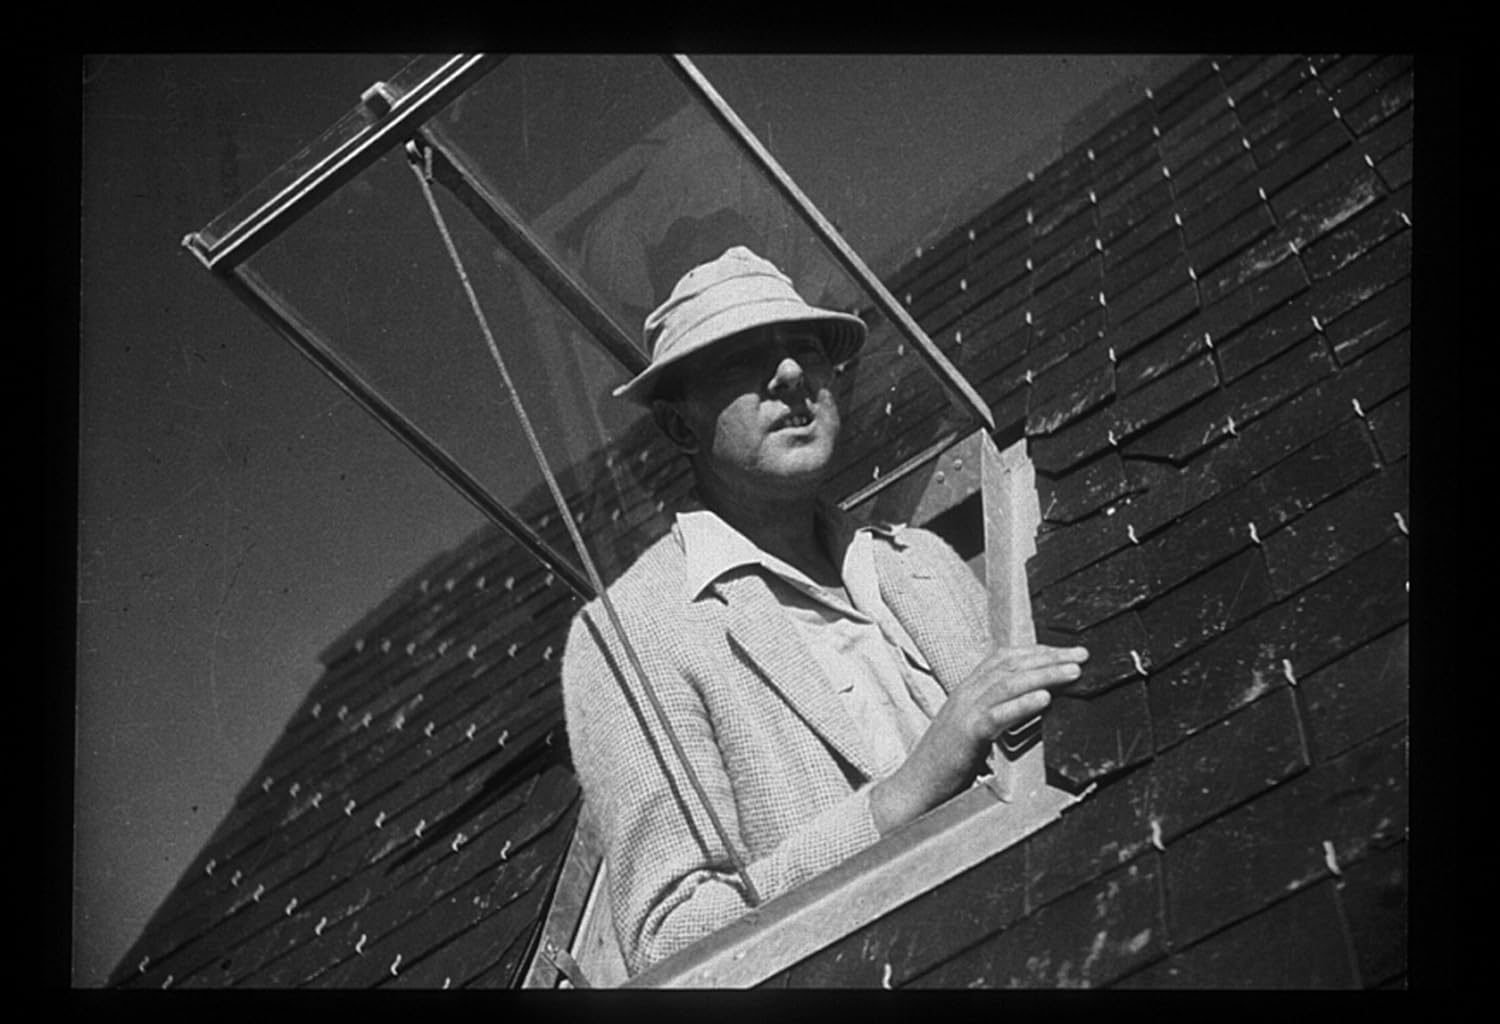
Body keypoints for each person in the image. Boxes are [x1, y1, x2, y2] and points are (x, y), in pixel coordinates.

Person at [560, 246, 1088, 975]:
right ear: (680, 428)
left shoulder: (920, 559)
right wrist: (899, 800)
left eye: (805, 349)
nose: (789, 373)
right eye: (741, 358)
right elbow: (673, 939)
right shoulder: (629, 633)